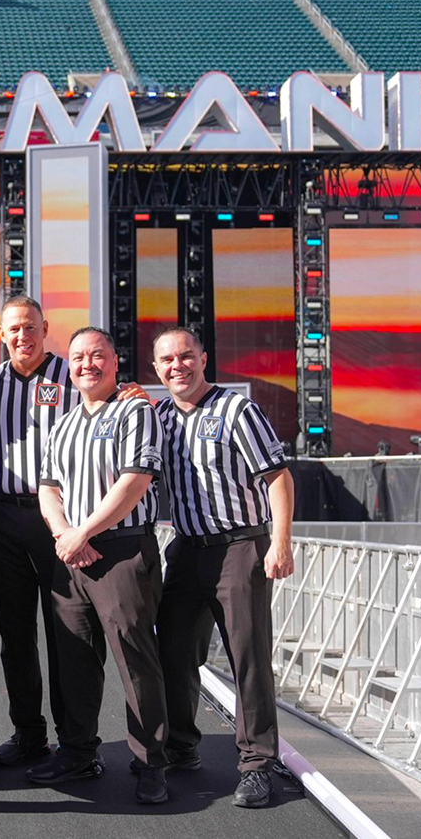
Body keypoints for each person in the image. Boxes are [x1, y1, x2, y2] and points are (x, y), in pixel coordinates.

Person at [152, 327, 295, 809]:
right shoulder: (159, 418)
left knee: (247, 657)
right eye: (167, 360)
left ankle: (257, 764)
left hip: (239, 547)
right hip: (187, 548)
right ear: (156, 369)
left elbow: (278, 477)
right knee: (173, 650)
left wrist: (280, 543)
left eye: (185, 356)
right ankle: (181, 745)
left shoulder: (237, 410)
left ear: (203, 358)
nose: (178, 366)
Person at [33, 326, 170, 805]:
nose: (86, 364)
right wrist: (65, 536)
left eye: (96, 355)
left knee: (135, 661)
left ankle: (151, 762)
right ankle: (77, 752)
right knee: (73, 660)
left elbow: (135, 481)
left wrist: (84, 532)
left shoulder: (135, 410)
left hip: (122, 550)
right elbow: (48, 488)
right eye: (77, 357)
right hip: (71, 554)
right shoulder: (64, 423)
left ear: (115, 362)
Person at [0, 295, 74, 765]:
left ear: (45, 328)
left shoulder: (71, 375)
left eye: (30, 327)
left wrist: (131, 391)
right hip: (3, 515)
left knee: (66, 633)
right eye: (13, 328)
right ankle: (28, 733)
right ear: (2, 334)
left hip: (57, 519)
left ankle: (74, 739)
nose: (22, 336)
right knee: (15, 635)